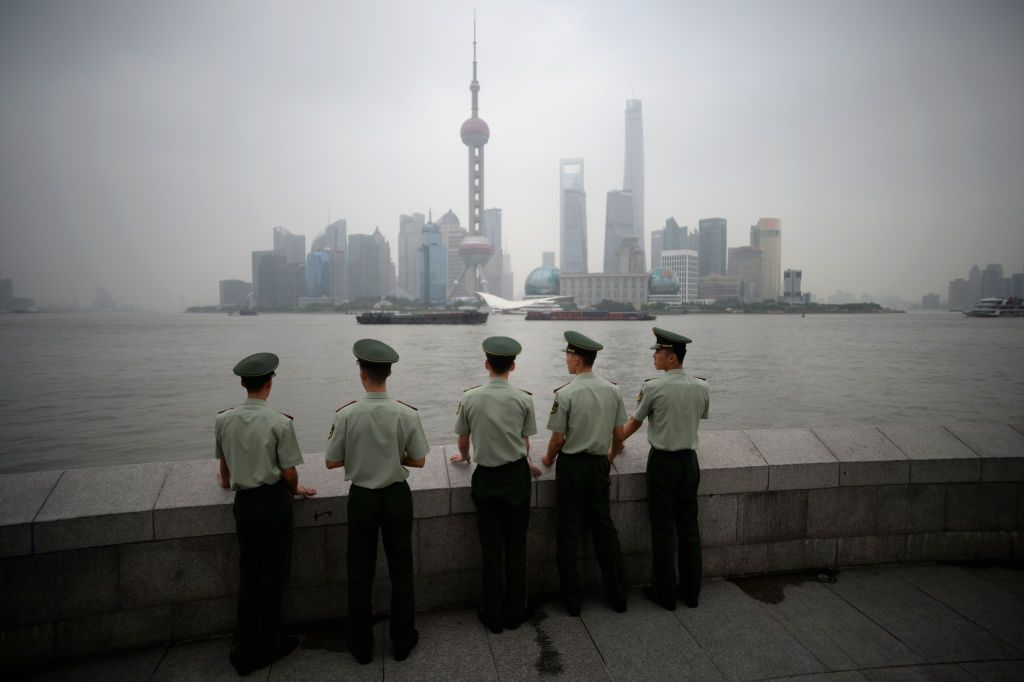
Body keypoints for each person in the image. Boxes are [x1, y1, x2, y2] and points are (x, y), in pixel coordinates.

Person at [325, 339, 429, 665]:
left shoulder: (346, 415)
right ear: (389, 373)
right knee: (402, 570)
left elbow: (330, 462)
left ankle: (362, 644)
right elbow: (420, 461)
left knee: (359, 573)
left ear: (362, 373)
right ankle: (401, 641)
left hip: (362, 499)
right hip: (397, 497)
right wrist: (393, 457)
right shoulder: (406, 413)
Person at [215, 352, 317, 676]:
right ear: (269, 383)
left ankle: (242, 643)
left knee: (249, 573)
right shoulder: (279, 422)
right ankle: (266, 646)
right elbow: (288, 474)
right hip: (273, 503)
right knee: (272, 575)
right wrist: (296, 489)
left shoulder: (224, 420)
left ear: (244, 384)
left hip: (244, 504)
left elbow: (225, 474)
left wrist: (233, 479)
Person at [451, 336, 540, 634]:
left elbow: (463, 440)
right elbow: (525, 441)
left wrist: (464, 457)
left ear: (486, 364)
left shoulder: (470, 398)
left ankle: (492, 615)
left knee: (490, 549)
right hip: (516, 477)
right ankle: (516, 612)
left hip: (486, 477)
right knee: (516, 547)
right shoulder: (524, 399)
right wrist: (524, 460)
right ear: (512, 366)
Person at [618, 327, 709, 611]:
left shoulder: (653, 388)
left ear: (671, 358)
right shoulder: (701, 387)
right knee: (689, 529)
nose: (654, 356)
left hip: (663, 463)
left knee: (662, 530)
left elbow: (633, 424)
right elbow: (699, 417)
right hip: (690, 463)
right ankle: (691, 593)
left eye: (658, 352)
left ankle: (665, 594)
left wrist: (613, 441)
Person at [541, 330, 628, 616]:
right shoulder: (613, 391)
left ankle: (573, 601)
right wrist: (611, 455)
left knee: (568, 531)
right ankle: (618, 597)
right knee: (604, 528)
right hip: (599, 466)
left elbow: (556, 439)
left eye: (568, 356)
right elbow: (618, 434)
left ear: (577, 359)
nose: (567, 360)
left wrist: (547, 458)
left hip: (572, 467)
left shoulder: (564, 394)